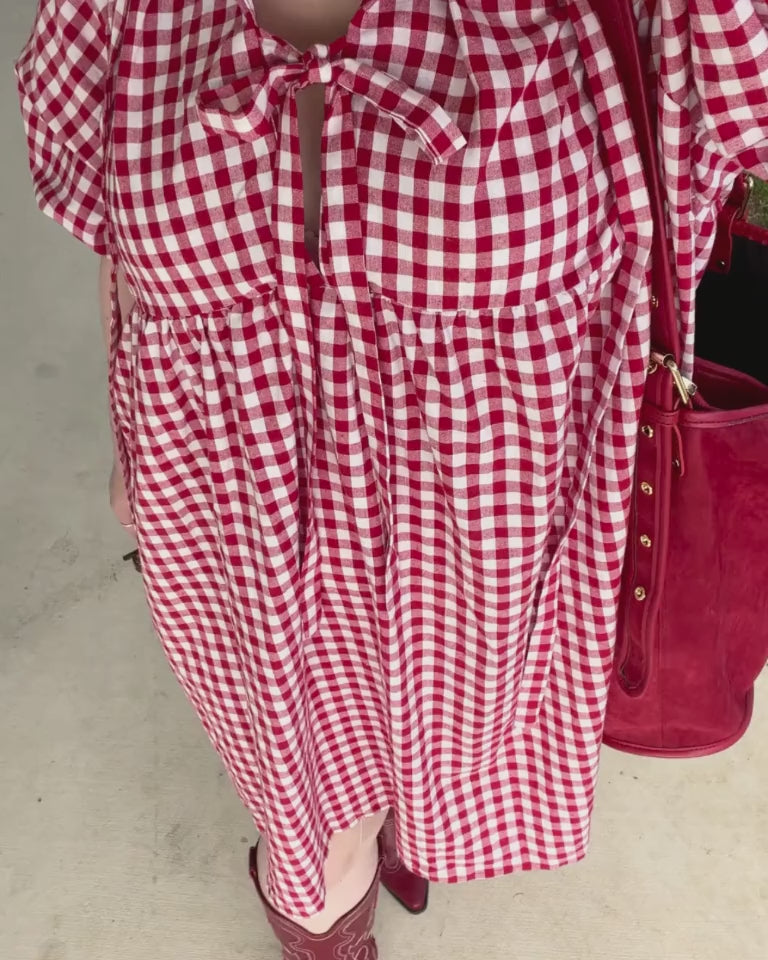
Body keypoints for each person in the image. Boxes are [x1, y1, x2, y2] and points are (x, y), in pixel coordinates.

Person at [15, 0, 768, 956]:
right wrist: (128, 429)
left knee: (447, 732)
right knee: (304, 806)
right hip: (234, 520)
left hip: (488, 536)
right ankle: (328, 881)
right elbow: (117, 233)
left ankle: (411, 809)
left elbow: (723, 151)